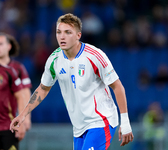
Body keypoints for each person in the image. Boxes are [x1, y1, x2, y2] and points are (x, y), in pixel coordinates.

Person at [10, 13, 134, 149]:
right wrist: (22, 115)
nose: (62, 36)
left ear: (78, 35)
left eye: (68, 32)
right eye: (59, 32)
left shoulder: (94, 56)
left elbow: (117, 86)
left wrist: (125, 121)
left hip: (101, 121)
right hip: (79, 128)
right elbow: (43, 89)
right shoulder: (54, 60)